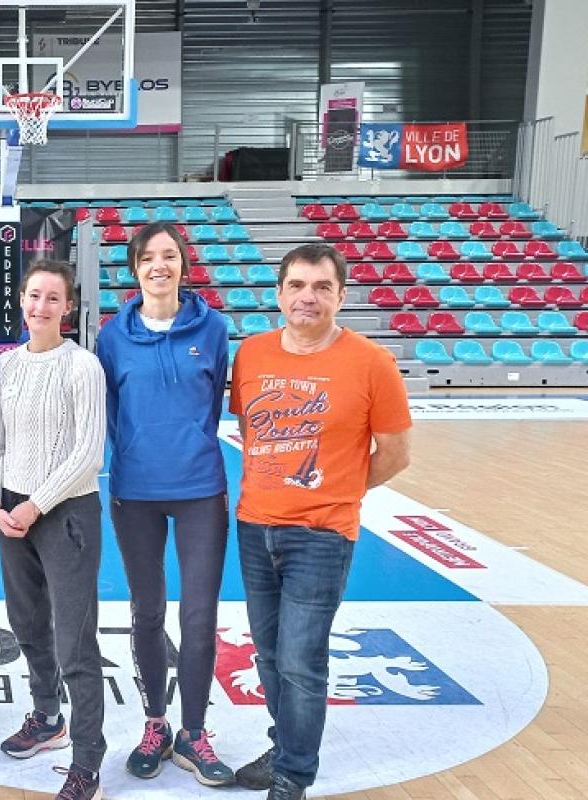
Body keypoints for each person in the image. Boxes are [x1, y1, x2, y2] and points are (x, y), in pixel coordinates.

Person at [228, 243, 412, 800]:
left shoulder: (371, 362)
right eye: (298, 286)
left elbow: (397, 452)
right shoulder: (252, 355)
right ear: (279, 293)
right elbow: (256, 432)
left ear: (341, 295)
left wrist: (337, 494)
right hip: (254, 527)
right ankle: (286, 746)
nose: (308, 297)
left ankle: (292, 776)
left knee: (301, 662)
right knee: (266, 653)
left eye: (322, 287)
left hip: (322, 536)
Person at [95, 221, 235, 786]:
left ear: (183, 264)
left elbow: (215, 407)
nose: (159, 265)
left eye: (170, 255)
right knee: (147, 612)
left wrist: (189, 447)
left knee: (199, 618)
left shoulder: (215, 329)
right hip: (136, 493)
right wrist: (134, 451)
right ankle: (155, 724)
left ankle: (193, 733)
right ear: (134, 268)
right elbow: (108, 411)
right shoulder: (111, 336)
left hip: (201, 488)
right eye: (149, 256)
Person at [0, 260, 107, 800]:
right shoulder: (4, 368)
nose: (40, 307)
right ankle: (46, 717)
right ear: (22, 301)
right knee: (27, 624)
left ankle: (87, 760)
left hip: (66, 513)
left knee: (75, 641)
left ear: (68, 307)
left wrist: (35, 504)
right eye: (33, 296)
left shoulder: (83, 367)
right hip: (9, 512)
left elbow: (87, 453)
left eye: (52, 298)